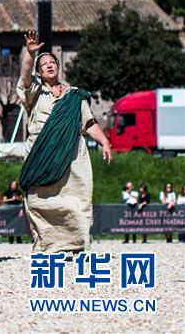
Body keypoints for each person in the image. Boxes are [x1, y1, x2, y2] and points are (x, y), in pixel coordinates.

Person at [17, 31, 113, 256]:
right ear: (39, 72)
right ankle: (48, 245)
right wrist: (30, 55)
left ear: (58, 67)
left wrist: (104, 142)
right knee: (40, 200)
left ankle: (77, 244)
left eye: (53, 63)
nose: (49, 66)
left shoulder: (74, 96)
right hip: (41, 154)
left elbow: (88, 123)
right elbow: (24, 80)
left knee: (75, 200)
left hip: (70, 155)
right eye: (44, 64)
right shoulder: (36, 94)